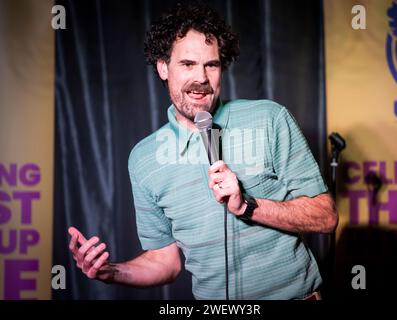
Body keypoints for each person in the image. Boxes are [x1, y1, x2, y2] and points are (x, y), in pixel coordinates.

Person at [68, 3, 338, 300]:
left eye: (211, 64)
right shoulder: (144, 160)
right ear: (162, 67)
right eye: (187, 64)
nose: (202, 78)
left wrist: (247, 206)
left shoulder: (269, 119)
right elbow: (165, 262)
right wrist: (112, 272)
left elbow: (325, 217)